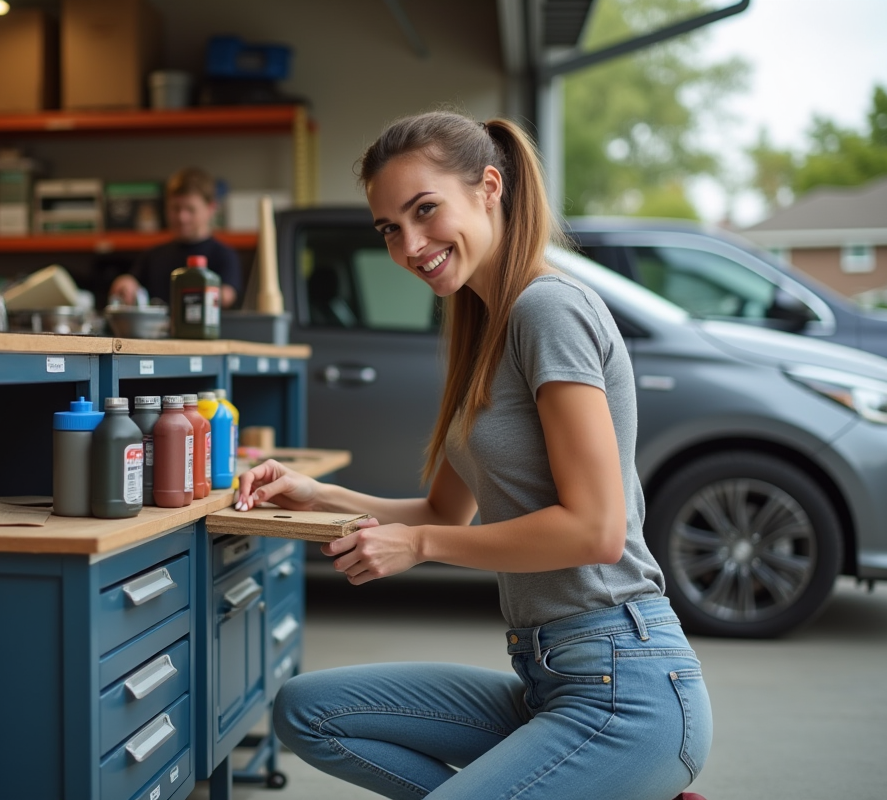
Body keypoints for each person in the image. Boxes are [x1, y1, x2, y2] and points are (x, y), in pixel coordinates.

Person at [233, 111, 713, 800]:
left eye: (425, 210)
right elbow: (441, 512)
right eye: (389, 228)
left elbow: (596, 531)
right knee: (306, 710)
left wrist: (419, 546)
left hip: (626, 687)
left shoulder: (549, 310)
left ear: (489, 187)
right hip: (549, 678)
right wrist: (319, 496)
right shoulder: (483, 330)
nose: (410, 245)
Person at [109, 167, 243, 308]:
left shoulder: (224, 255)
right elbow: (132, 282)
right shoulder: (153, 256)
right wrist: (125, 283)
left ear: (211, 208)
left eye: (190, 209)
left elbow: (226, 296)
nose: (181, 217)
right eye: (175, 208)